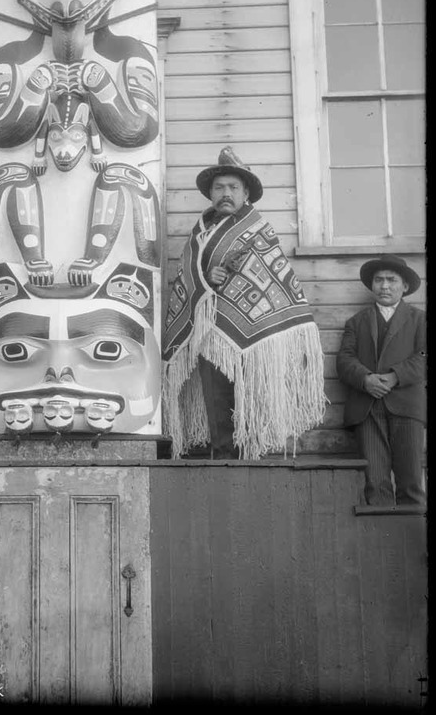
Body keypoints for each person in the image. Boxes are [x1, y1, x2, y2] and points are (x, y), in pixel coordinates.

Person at [163, 146, 326, 459]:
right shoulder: (199, 234)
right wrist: (206, 278)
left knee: (251, 400)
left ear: (245, 193)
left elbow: (272, 278)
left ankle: (253, 461)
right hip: (210, 335)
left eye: (233, 187)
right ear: (210, 194)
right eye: (219, 188)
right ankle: (223, 462)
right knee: (217, 403)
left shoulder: (258, 229)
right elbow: (186, 279)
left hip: (254, 338)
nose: (226, 194)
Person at [336, 256, 426, 506]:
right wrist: (365, 379)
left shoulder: (420, 320)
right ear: (371, 285)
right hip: (368, 410)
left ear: (404, 286)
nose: (384, 286)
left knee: (411, 481)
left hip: (407, 407)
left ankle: (410, 531)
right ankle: (380, 530)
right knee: (375, 484)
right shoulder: (356, 322)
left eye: (391, 280)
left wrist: (395, 376)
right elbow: (344, 359)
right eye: (378, 280)